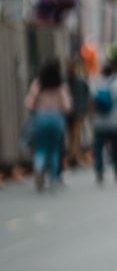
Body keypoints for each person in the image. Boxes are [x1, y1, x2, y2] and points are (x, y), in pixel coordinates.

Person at [24, 57, 72, 190]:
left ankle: (39, 168)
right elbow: (67, 106)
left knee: (41, 148)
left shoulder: (38, 84)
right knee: (55, 149)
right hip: (56, 118)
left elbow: (29, 102)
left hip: (41, 118)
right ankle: (53, 177)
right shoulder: (60, 85)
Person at [91, 60, 117, 184]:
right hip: (115, 122)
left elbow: (92, 104)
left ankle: (99, 172)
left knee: (99, 149)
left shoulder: (97, 85)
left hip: (99, 123)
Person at [65, 58, 91, 167]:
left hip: (68, 111)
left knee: (71, 134)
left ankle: (73, 155)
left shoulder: (65, 82)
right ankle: (75, 155)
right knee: (76, 134)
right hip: (78, 111)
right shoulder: (80, 82)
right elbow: (87, 94)